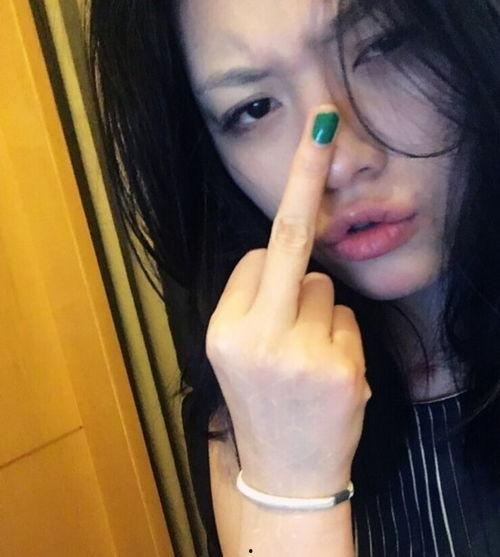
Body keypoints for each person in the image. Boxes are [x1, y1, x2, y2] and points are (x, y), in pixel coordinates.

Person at [87, 0, 500, 554]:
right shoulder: (248, 417)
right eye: (254, 108)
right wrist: (288, 493)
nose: (340, 164)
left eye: (382, 46)